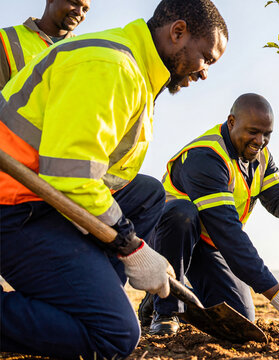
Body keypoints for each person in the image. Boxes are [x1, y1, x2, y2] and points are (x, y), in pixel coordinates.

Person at [0, 0, 228, 358]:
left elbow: (103, 174)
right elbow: (70, 176)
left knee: (149, 193)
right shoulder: (111, 67)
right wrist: (132, 247)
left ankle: (90, 292)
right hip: (14, 207)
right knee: (116, 335)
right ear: (178, 32)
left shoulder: (135, 65)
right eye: (207, 58)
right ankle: (92, 314)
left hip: (41, 195)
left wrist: (127, 242)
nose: (204, 73)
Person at [137, 93, 279, 336]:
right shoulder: (206, 156)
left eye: (267, 134)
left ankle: (170, 289)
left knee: (240, 317)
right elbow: (228, 233)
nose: (260, 140)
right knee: (183, 214)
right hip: (168, 238)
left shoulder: (260, 156)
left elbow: (278, 196)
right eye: (253, 131)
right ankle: (165, 309)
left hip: (208, 244)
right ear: (231, 122)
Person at [0, 0, 91, 89]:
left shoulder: (84, 50)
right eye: (74, 3)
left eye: (85, 10)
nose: (80, 13)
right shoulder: (7, 38)